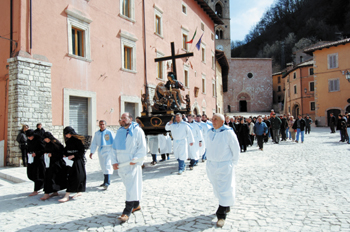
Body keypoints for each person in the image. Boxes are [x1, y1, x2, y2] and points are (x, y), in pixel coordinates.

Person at [205, 113, 240, 227]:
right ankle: (226, 205)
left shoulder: (228, 133)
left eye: (216, 119)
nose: (213, 121)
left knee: (225, 187)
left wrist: (232, 162)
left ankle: (221, 214)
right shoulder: (210, 132)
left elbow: (235, 148)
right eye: (212, 119)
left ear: (222, 122)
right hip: (211, 164)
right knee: (217, 187)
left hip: (224, 165)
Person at [112, 112, 147, 222]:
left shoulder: (137, 131)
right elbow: (114, 148)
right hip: (122, 165)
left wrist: (136, 159)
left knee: (131, 187)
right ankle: (136, 205)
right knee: (129, 186)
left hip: (132, 164)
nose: (122, 120)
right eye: (121, 118)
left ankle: (126, 211)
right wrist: (114, 161)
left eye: (124, 118)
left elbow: (142, 147)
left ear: (130, 119)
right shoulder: (119, 131)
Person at [59, 126, 86, 203]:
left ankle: (73, 193)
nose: (66, 136)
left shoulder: (78, 140)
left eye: (67, 134)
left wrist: (74, 156)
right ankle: (70, 193)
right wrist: (65, 154)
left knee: (77, 176)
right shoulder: (68, 141)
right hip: (70, 162)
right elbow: (66, 149)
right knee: (70, 176)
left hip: (77, 161)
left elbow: (81, 152)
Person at [40, 132, 67, 200]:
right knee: (49, 178)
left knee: (51, 178)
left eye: (45, 139)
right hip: (49, 163)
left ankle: (47, 193)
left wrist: (52, 155)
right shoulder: (47, 144)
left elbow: (61, 153)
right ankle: (54, 191)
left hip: (56, 164)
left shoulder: (56, 143)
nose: (45, 140)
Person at [89, 120, 115, 189]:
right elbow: (94, 143)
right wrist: (92, 152)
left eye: (103, 124)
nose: (102, 126)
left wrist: (115, 151)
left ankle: (107, 181)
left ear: (105, 125)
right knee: (103, 165)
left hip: (108, 149)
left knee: (107, 165)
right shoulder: (97, 133)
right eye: (100, 124)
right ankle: (105, 181)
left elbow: (114, 141)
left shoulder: (109, 132)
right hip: (100, 149)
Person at [26, 129, 46, 196]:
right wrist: (28, 152)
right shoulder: (29, 140)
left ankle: (36, 190)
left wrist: (36, 153)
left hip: (38, 160)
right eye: (28, 137)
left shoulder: (39, 140)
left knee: (37, 174)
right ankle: (40, 187)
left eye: (30, 136)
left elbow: (43, 149)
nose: (29, 138)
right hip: (31, 159)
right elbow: (28, 148)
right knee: (30, 174)